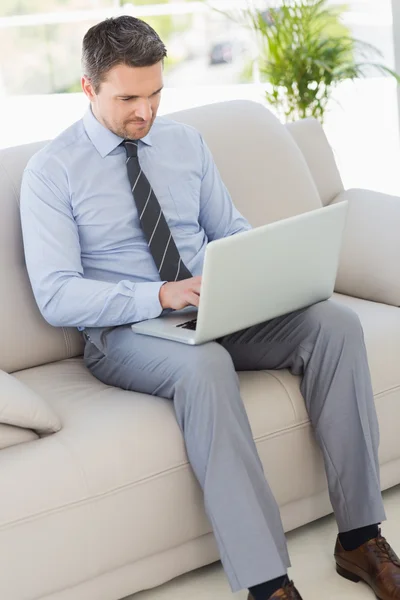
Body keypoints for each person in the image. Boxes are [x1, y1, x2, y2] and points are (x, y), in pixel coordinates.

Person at [20, 15, 400, 600]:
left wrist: (251, 272)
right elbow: (55, 294)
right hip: (126, 330)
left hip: (216, 305)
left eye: (154, 95)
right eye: (127, 98)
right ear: (88, 88)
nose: (144, 113)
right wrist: (158, 293)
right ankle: (267, 582)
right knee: (204, 365)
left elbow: (231, 230)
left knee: (335, 324)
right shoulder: (52, 172)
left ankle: (360, 536)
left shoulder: (185, 144)